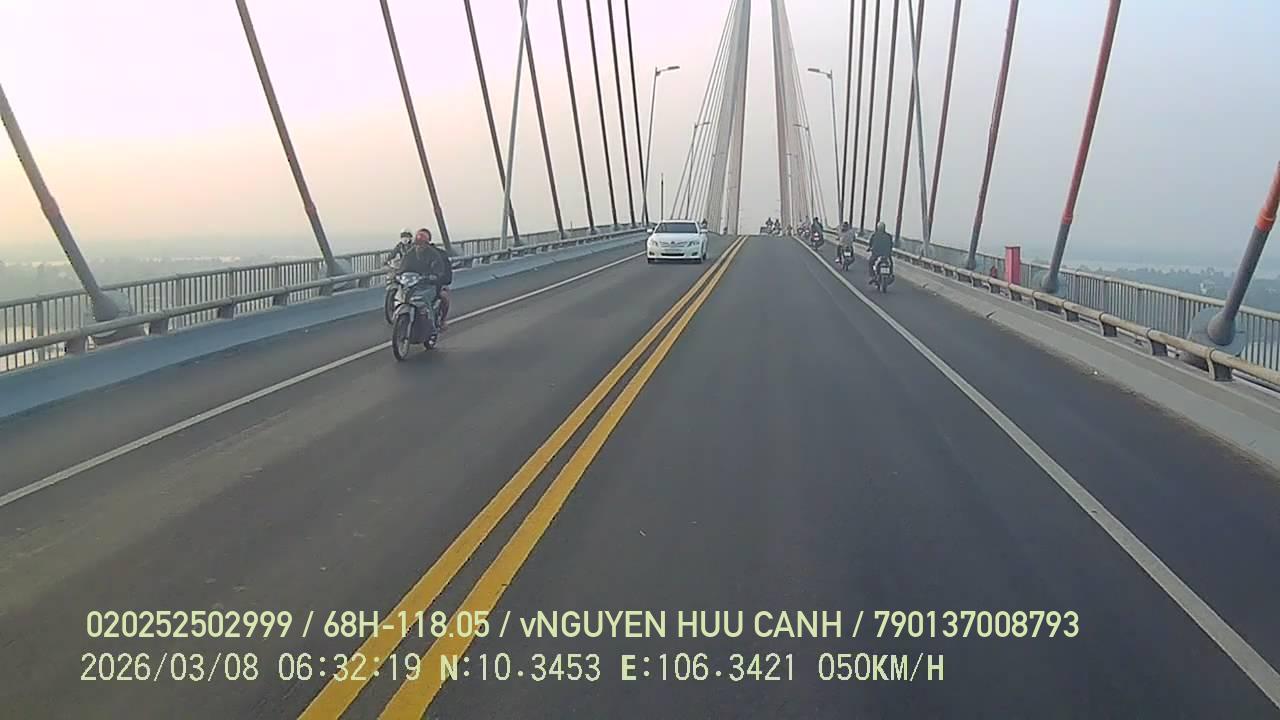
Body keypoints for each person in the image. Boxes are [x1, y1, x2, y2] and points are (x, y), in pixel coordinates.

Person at [400, 228, 453, 331]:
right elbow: (403, 266)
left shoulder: (436, 254)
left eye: (422, 243)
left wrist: (435, 277)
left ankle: (440, 321)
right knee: (402, 296)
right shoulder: (410, 253)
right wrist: (398, 274)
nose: (419, 246)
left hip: (431, 285)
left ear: (427, 243)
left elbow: (441, 271)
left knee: (444, 297)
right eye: (417, 243)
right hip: (414, 285)